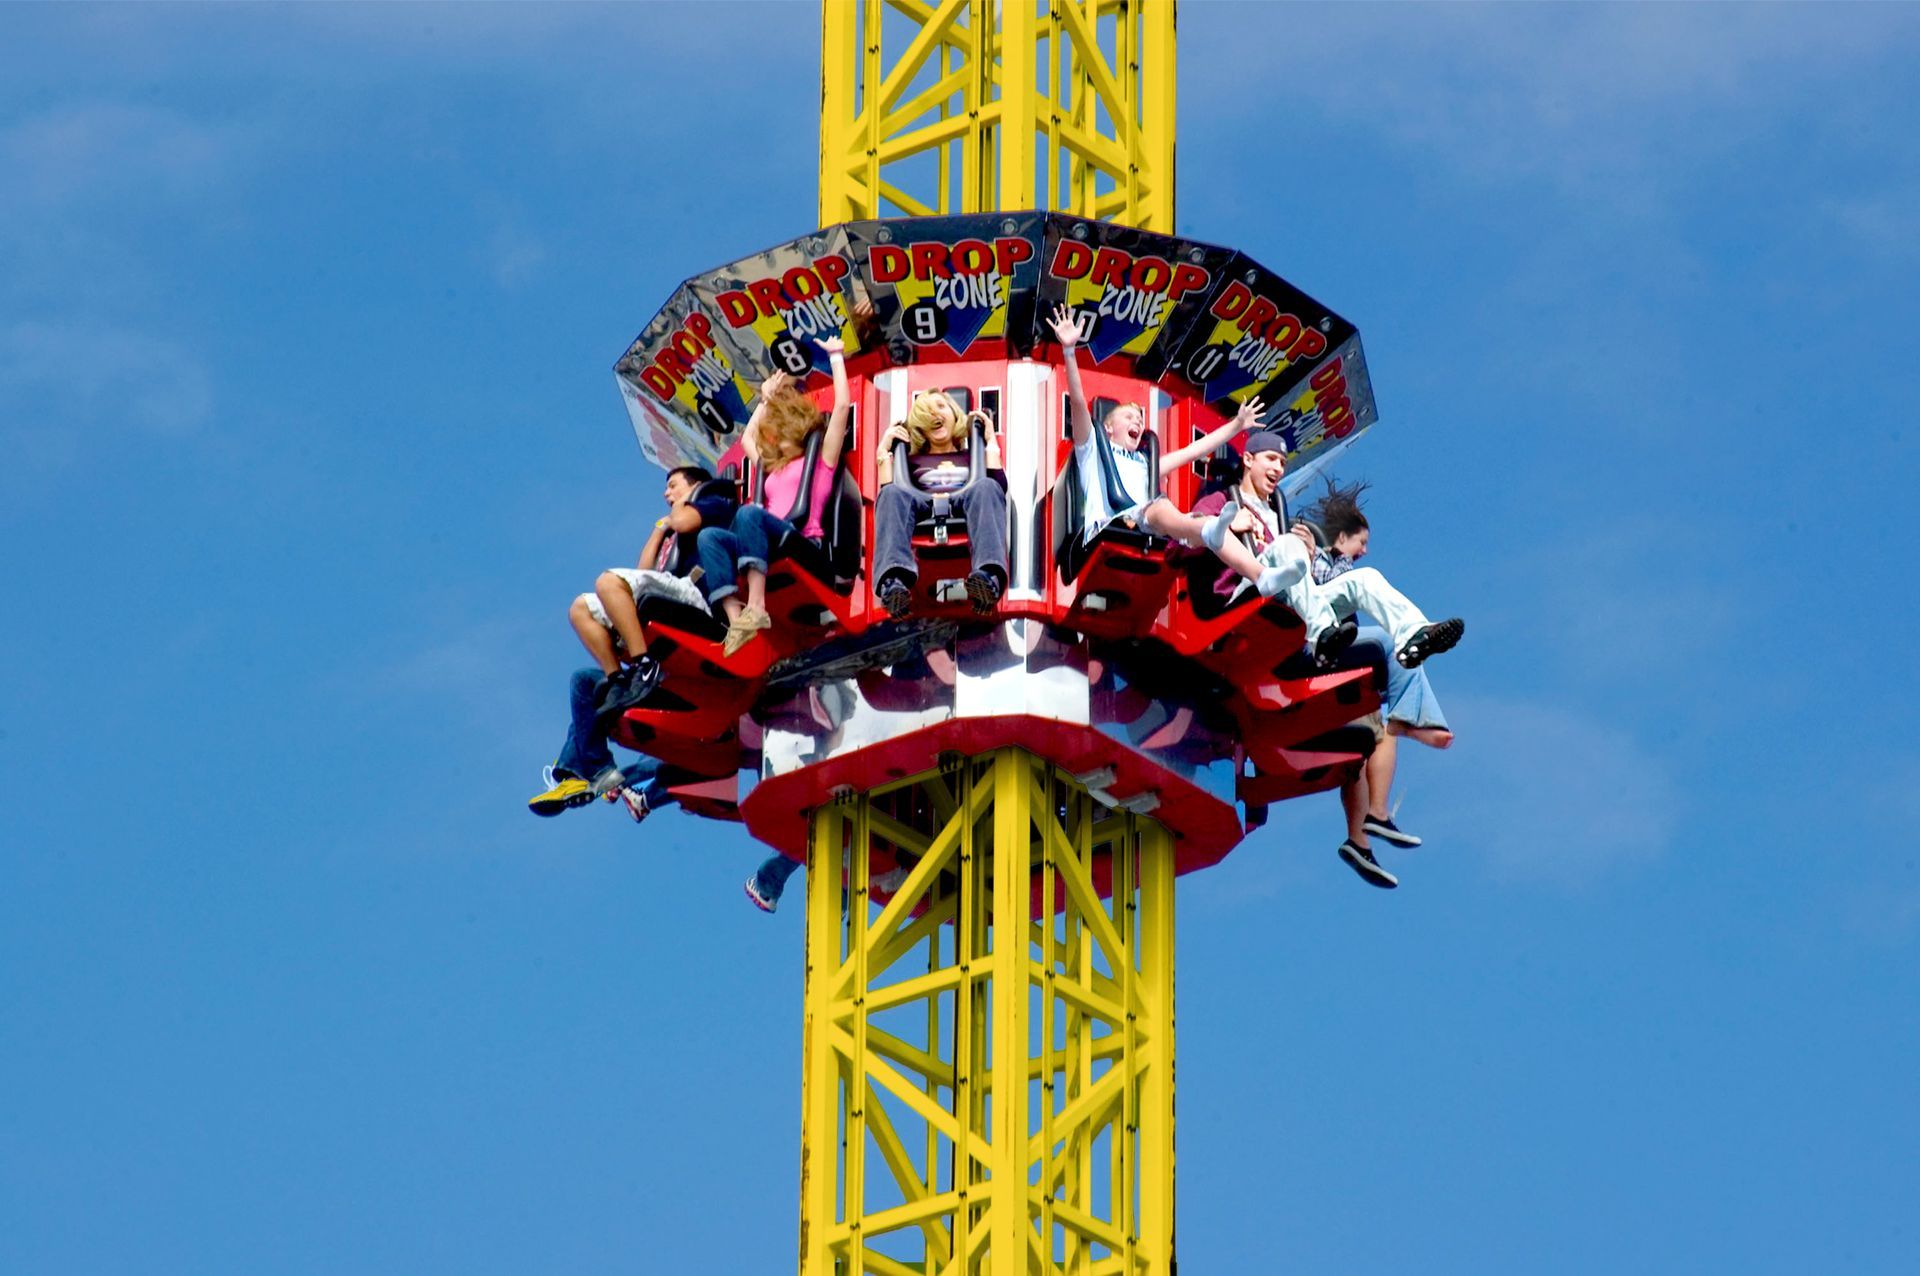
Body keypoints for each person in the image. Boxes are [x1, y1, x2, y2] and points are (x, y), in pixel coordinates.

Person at [700, 338, 851, 656]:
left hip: (804, 541)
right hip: (768, 541)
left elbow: (840, 408)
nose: (774, 435)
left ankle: (757, 605)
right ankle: (737, 620)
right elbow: (747, 440)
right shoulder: (771, 467)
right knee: (710, 537)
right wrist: (765, 399)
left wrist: (836, 356)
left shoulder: (821, 460)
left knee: (749, 514)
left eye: (781, 428)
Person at [572, 465, 734, 726]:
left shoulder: (712, 502)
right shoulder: (670, 526)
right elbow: (644, 571)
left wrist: (682, 506)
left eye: (673, 486)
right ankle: (617, 679)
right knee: (580, 609)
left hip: (696, 595)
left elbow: (684, 522)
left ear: (694, 485)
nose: (666, 493)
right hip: (671, 588)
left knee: (608, 581)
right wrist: (660, 527)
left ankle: (644, 664)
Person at [871, 391, 1009, 617]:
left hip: (964, 499)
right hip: (922, 503)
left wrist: (990, 441)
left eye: (941, 407)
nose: (935, 414)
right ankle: (892, 584)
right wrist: (884, 453)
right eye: (927, 412)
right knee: (892, 494)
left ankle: (988, 577)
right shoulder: (913, 462)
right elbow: (889, 496)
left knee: (986, 486)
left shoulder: (971, 456)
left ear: (954, 415)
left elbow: (998, 488)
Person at [526, 666, 693, 824]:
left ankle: (589, 773)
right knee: (588, 690)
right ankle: (588, 773)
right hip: (669, 689)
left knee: (584, 682)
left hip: (678, 694)